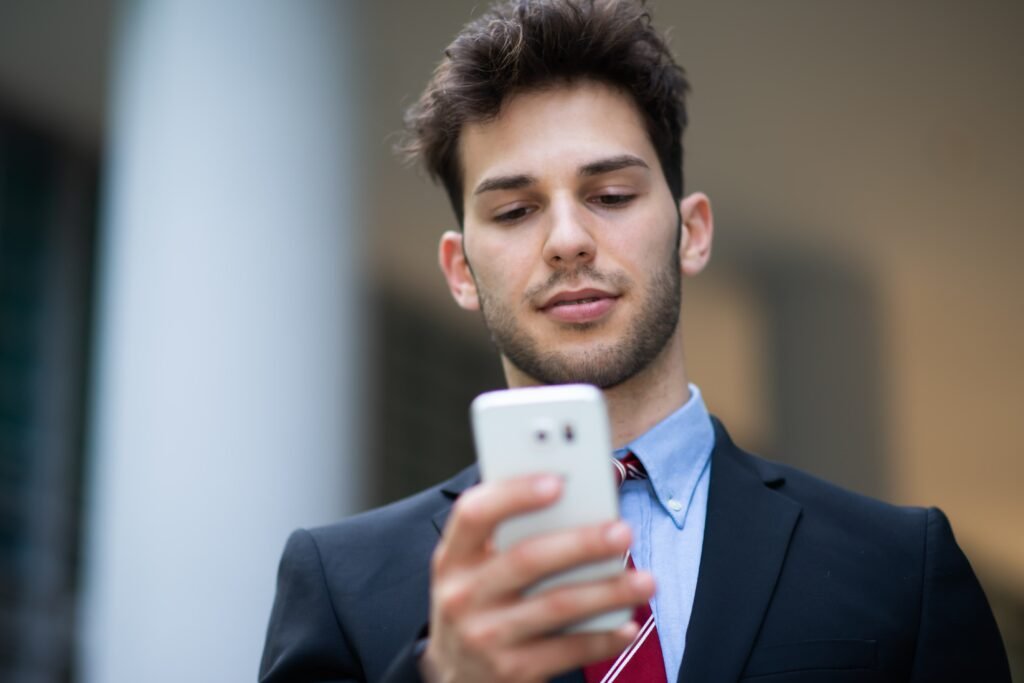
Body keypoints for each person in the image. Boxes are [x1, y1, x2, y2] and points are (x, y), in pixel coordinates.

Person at [259, 1, 1011, 681]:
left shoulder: (899, 568)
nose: (566, 240)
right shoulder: (340, 579)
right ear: (459, 270)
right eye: (515, 210)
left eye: (611, 196)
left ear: (692, 231)